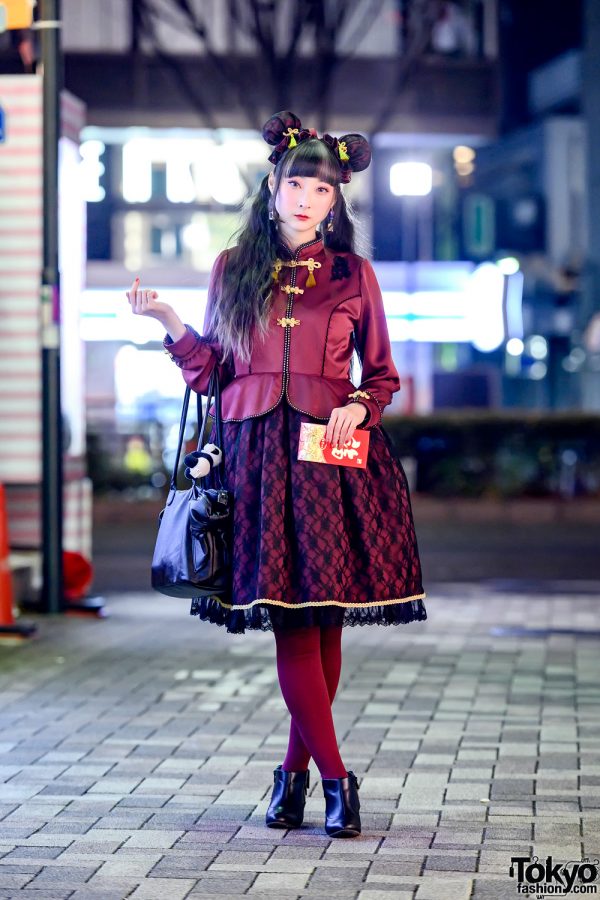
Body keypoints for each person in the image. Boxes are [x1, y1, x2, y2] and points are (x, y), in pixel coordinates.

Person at [126, 110, 427, 839]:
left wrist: (360, 403)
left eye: (321, 192)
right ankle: (335, 781)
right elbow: (212, 374)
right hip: (254, 456)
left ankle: (294, 780)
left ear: (335, 202)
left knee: (323, 625)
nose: (305, 200)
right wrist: (169, 319)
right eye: (295, 184)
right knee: (293, 621)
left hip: (331, 458)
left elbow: (383, 375)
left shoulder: (356, 274)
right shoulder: (233, 268)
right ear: (272, 185)